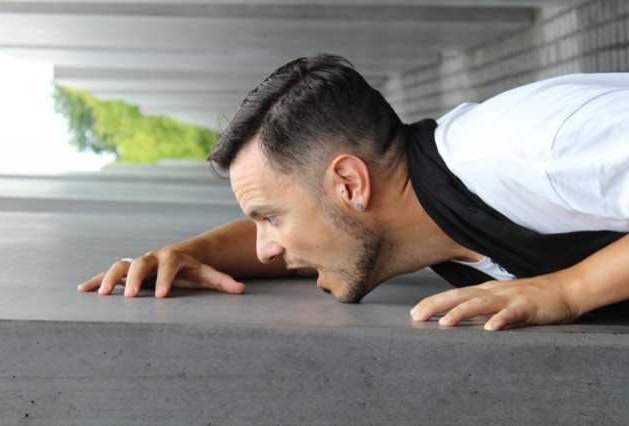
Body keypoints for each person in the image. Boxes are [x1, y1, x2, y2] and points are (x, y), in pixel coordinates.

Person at [78, 54, 629, 331]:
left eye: (270, 217)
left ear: (349, 184)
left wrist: (569, 290)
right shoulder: (419, 210)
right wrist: (187, 254)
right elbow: (320, 236)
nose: (265, 248)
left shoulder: (534, 149)